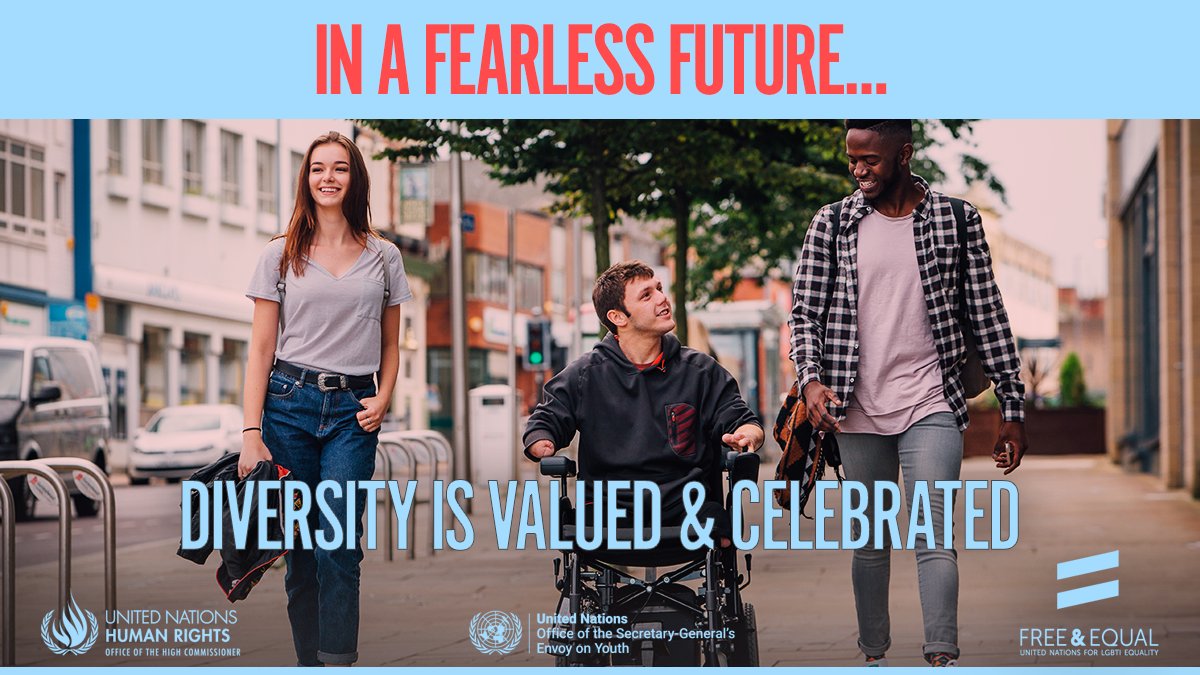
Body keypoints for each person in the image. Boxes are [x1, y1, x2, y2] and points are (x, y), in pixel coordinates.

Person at [789, 120, 1029, 667]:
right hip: (856, 406)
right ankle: (874, 653)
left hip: (931, 401)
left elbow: (987, 314)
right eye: (852, 160)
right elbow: (805, 313)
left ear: (903, 153)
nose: (858, 170)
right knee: (871, 542)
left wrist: (1012, 409)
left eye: (870, 159)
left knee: (934, 532)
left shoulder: (956, 219)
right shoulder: (831, 223)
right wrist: (811, 378)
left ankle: (941, 654)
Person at [240, 130, 413, 666]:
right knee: (300, 553)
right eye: (318, 168)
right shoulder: (279, 254)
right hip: (288, 406)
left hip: (352, 414)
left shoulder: (384, 256)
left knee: (339, 545)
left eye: (339, 168)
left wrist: (384, 397)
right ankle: (307, 662)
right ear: (305, 178)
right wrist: (251, 433)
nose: (328, 177)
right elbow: (261, 349)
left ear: (354, 177)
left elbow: (391, 342)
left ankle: (338, 660)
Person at [524, 260, 764, 537]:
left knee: (721, 526)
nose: (663, 298)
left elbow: (740, 418)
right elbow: (547, 418)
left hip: (686, 505)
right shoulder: (585, 375)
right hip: (609, 511)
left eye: (659, 288)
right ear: (618, 317)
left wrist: (748, 435)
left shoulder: (701, 371)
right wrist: (542, 440)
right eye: (647, 295)